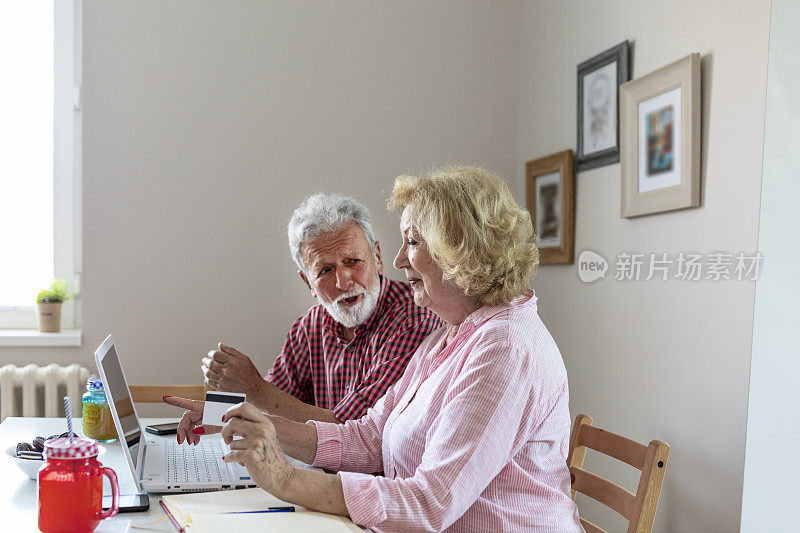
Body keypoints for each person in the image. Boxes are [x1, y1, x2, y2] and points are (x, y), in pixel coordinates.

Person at [168, 167, 582, 531]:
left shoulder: (504, 348)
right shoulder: (452, 333)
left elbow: (430, 504)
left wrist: (286, 479)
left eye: (413, 242)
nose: (401, 259)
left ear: (459, 250)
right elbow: (369, 438)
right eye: (325, 270)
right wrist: (251, 425)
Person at [165, 193, 442, 434]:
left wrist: (253, 387)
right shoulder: (311, 325)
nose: (343, 281)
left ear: (378, 258)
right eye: (325, 270)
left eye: (353, 261)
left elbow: (353, 431)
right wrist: (213, 414)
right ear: (307, 282)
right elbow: (272, 402)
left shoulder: (413, 319)